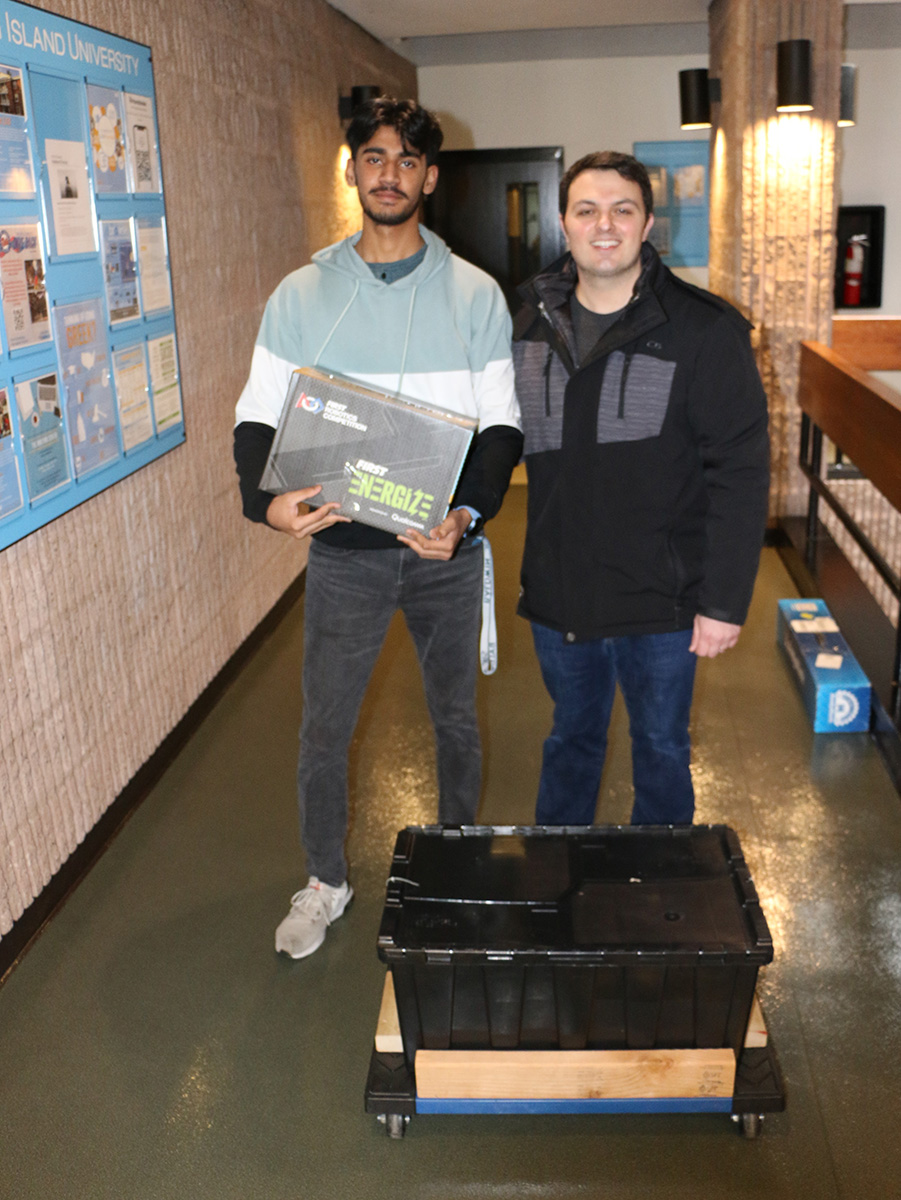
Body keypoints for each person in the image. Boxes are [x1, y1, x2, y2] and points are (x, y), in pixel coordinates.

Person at [234, 98, 522, 958]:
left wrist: (466, 517)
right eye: (373, 157)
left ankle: (456, 858)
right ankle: (325, 879)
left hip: (441, 552)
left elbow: (500, 427)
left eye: (406, 159)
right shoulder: (301, 294)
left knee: (454, 719)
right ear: (352, 170)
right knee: (324, 725)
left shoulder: (474, 294)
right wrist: (265, 500)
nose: (389, 172)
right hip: (344, 555)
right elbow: (258, 417)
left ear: (429, 177)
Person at [512, 151, 769, 828]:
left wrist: (723, 601)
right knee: (569, 743)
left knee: (660, 749)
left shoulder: (704, 330)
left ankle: (663, 891)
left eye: (622, 209)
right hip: (559, 590)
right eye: (586, 210)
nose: (604, 225)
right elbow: (488, 433)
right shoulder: (522, 322)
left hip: (664, 599)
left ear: (647, 223)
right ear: (562, 222)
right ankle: (556, 883)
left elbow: (740, 475)